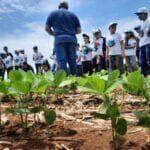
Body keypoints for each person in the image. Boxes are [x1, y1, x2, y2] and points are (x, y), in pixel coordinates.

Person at [45, 1, 81, 76]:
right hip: (71, 39)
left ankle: (64, 82)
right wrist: (70, 32)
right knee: (72, 61)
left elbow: (47, 28)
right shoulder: (73, 15)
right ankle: (75, 80)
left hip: (59, 40)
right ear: (67, 7)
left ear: (59, 6)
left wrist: (54, 34)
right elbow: (79, 30)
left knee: (62, 61)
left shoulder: (53, 14)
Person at [135, 7, 150, 76]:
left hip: (148, 44)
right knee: (142, 63)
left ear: (144, 13)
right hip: (142, 45)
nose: (138, 16)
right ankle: (145, 79)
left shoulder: (149, 20)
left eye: (139, 14)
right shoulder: (142, 24)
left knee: (148, 61)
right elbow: (141, 36)